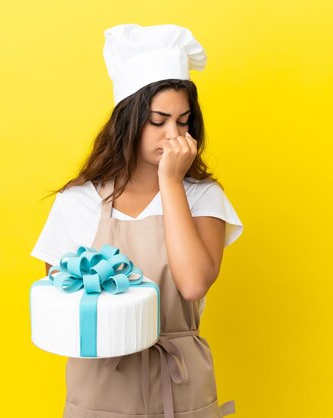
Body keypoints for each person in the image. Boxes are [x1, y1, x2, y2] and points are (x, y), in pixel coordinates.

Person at [31, 23, 244, 418]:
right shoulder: (78, 202)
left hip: (178, 384)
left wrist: (171, 182)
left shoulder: (202, 197)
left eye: (183, 122)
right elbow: (65, 306)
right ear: (128, 120)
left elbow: (193, 283)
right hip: (100, 388)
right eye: (158, 120)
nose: (172, 135)